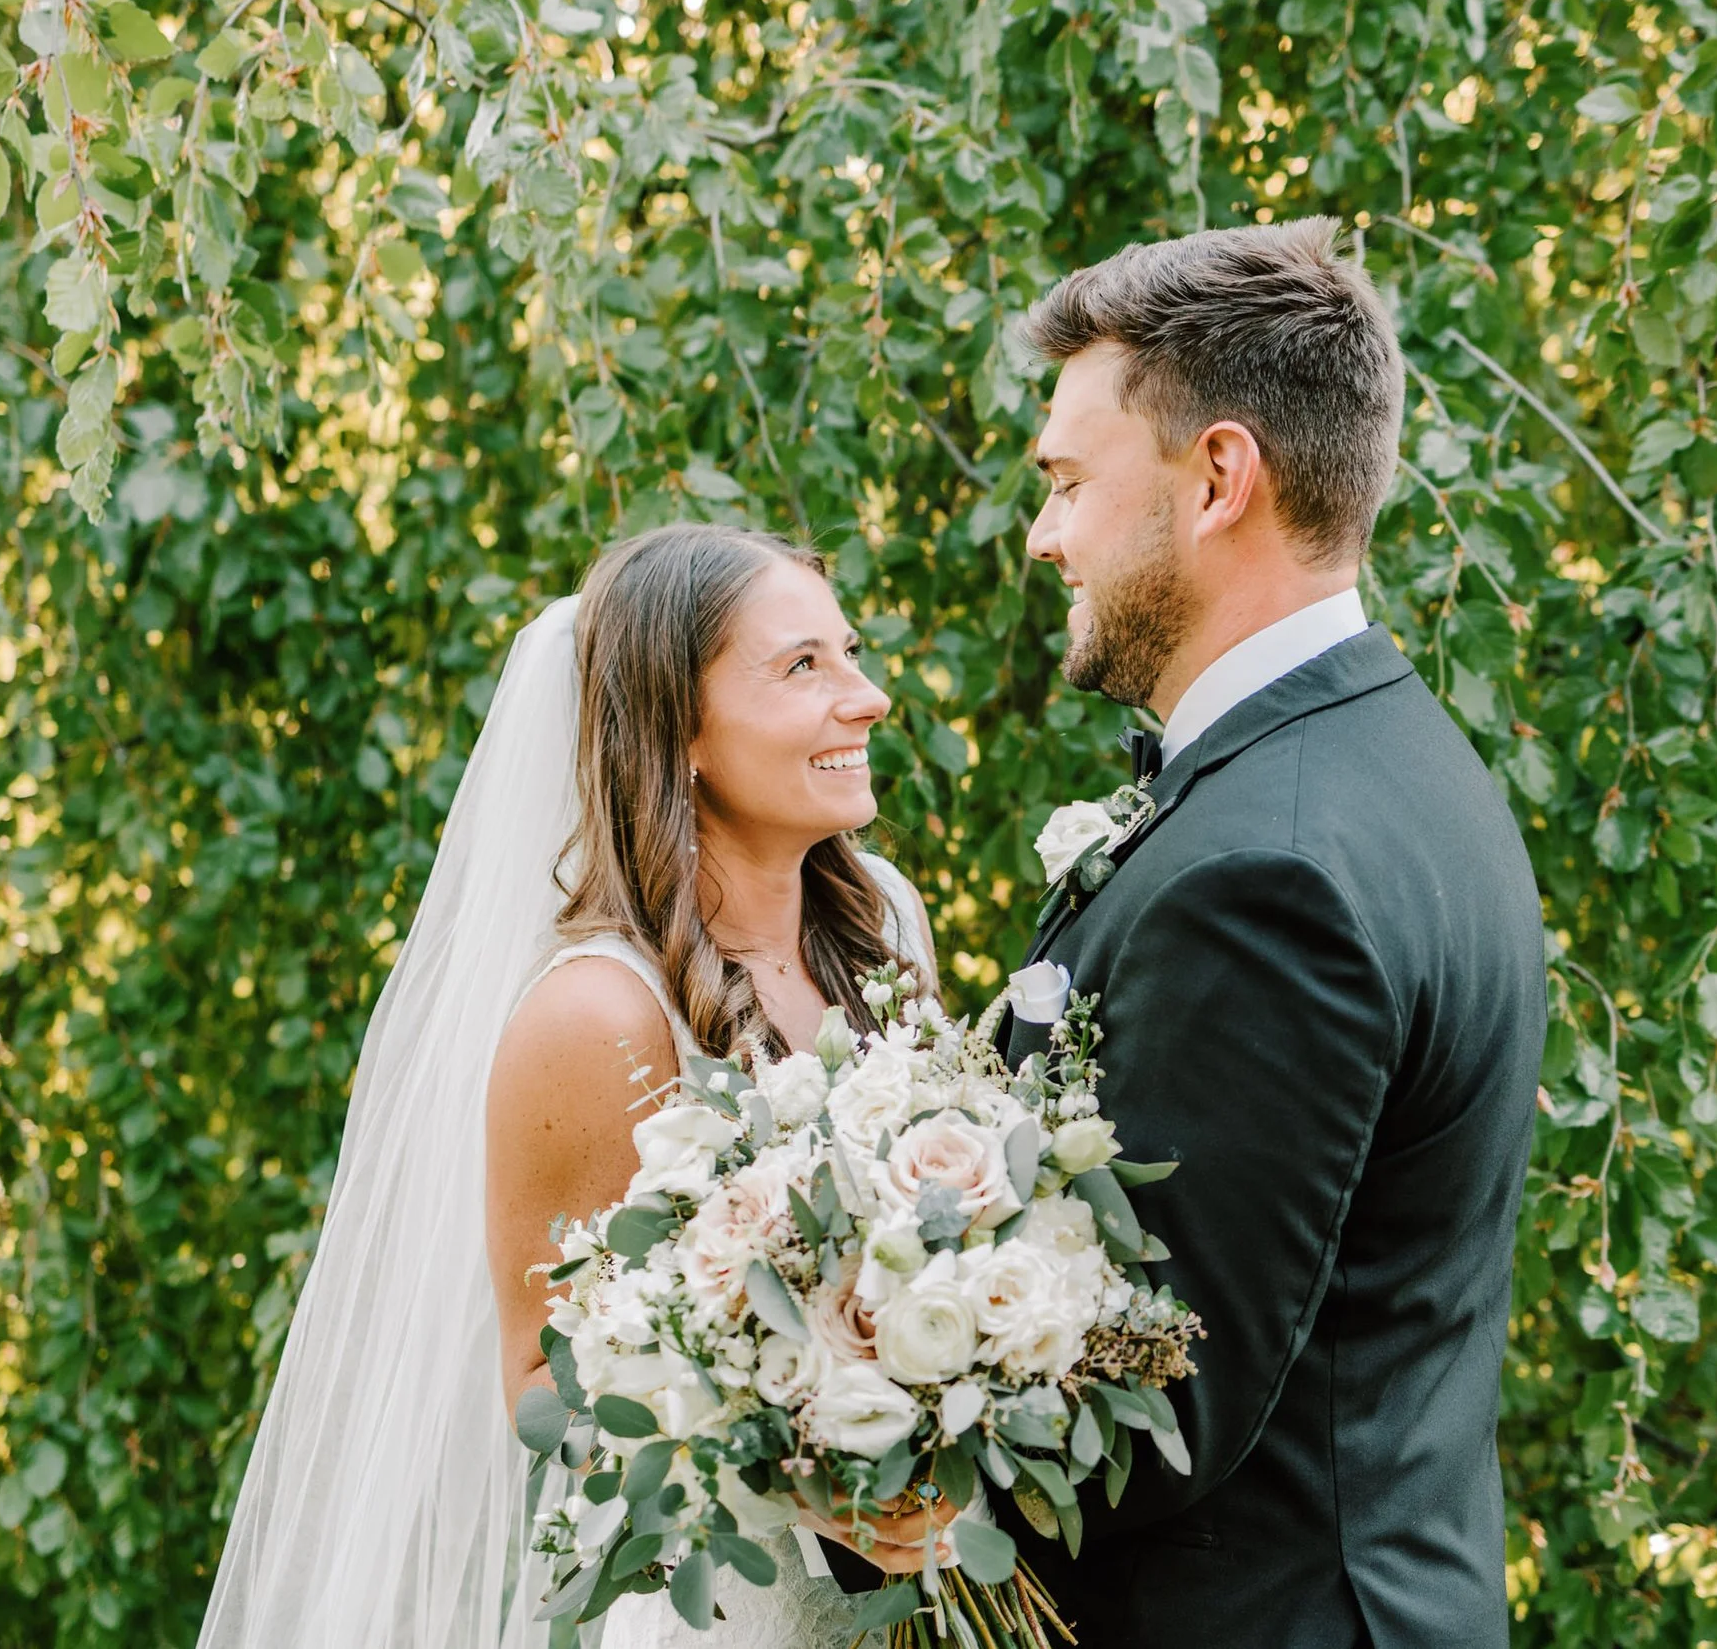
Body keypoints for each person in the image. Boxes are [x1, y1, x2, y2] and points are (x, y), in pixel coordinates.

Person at [197, 524, 943, 1649]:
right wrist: (817, 1467)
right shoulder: (595, 1015)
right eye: (805, 666)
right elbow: (552, 1396)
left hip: (935, 1586)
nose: (869, 696)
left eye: (849, 652)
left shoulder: (881, 923)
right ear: (677, 728)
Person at [995, 216, 1546, 1647]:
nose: (1046, 533)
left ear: (1220, 476)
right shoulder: (1391, 762)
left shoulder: (1272, 867)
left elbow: (1158, 1406)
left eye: (1066, 482)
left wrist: (812, 1422)